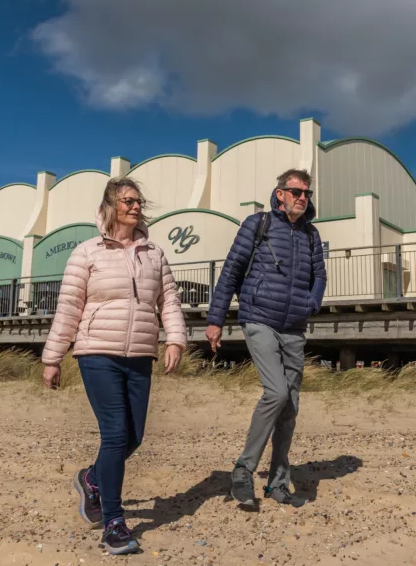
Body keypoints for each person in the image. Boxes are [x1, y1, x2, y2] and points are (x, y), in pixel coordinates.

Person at [41, 177, 187, 556]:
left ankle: (91, 478)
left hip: (140, 353)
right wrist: (53, 357)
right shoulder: (87, 252)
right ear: (110, 206)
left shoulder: (153, 253)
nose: (135, 207)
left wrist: (175, 339)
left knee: (135, 435)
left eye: (138, 201)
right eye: (127, 201)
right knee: (116, 434)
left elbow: (168, 299)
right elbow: (70, 306)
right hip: (97, 353)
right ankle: (114, 522)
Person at [205, 168, 326, 509]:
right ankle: (243, 472)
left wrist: (310, 304)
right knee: (275, 392)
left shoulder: (312, 236)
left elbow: (320, 276)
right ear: (280, 194)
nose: (302, 197)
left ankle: (278, 483)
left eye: (307, 193)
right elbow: (230, 271)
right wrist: (215, 319)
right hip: (259, 319)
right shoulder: (257, 225)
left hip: (294, 327)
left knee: (290, 407)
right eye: (296, 191)